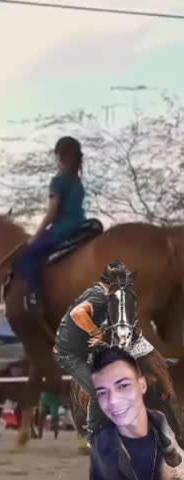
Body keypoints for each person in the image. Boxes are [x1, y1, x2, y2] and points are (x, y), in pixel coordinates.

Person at [54, 260, 152, 437]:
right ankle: (94, 432)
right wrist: (96, 333)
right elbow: (77, 313)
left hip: (84, 347)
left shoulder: (105, 295)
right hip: (70, 354)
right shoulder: (100, 296)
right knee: (96, 389)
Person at [16, 136, 86, 312]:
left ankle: (35, 297)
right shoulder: (77, 181)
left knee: (27, 255)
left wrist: (36, 236)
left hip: (63, 229)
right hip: (81, 226)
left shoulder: (58, 181)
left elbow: (52, 212)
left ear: (60, 156)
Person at [89, 346, 181, 479]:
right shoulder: (99, 444)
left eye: (123, 386)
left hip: (139, 353)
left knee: (165, 388)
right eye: (102, 392)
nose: (113, 400)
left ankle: (172, 442)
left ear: (142, 385)